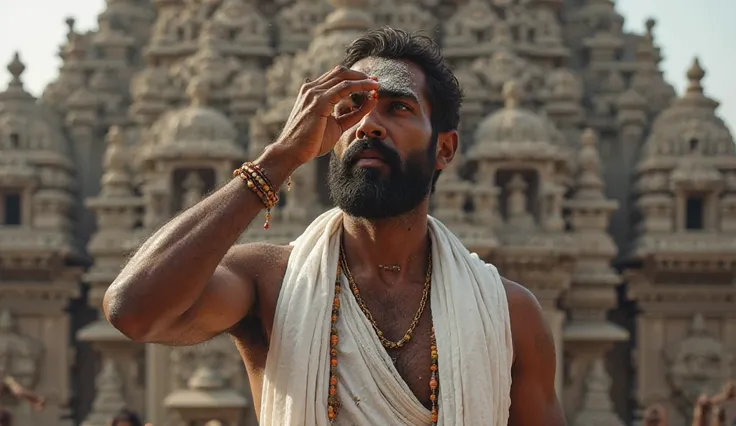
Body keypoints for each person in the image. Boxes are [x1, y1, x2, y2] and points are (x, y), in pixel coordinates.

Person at [104, 27, 565, 426]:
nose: (369, 124)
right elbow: (134, 311)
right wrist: (280, 158)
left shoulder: (507, 312)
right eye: (352, 106)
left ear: (445, 148)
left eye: (398, 108)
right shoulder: (271, 283)